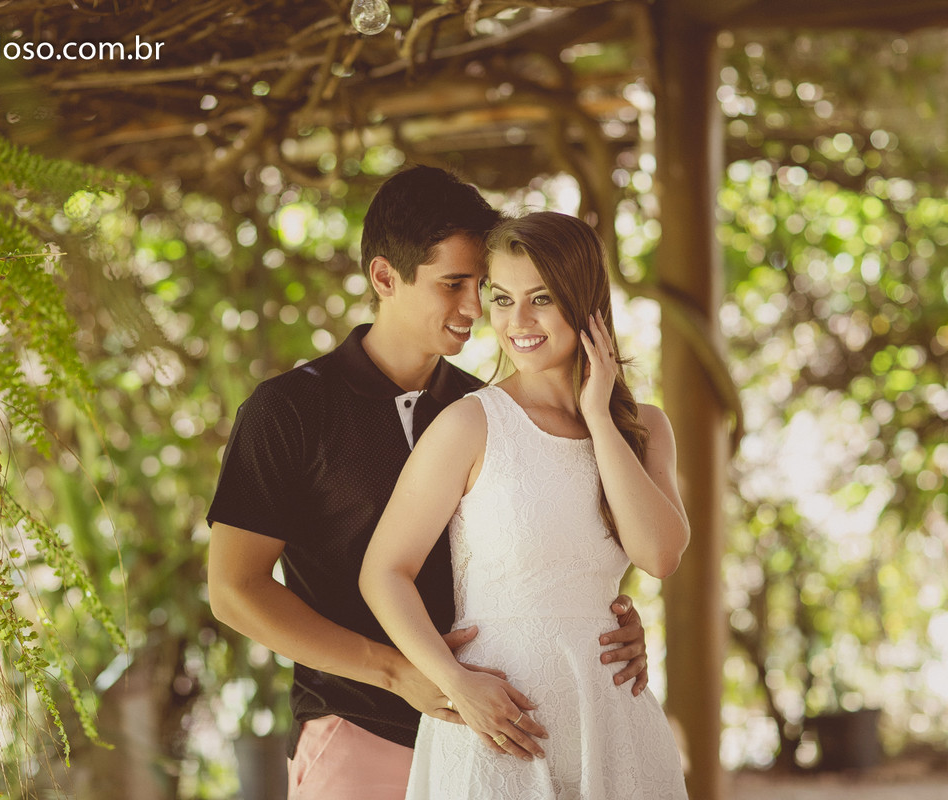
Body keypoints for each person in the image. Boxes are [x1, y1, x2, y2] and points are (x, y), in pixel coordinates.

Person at [207, 167, 652, 800]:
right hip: (361, 734)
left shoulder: (491, 411)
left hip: (499, 744)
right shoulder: (290, 409)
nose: (475, 308)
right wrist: (399, 672)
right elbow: (234, 590)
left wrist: (607, 624)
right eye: (453, 284)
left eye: (482, 286)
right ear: (385, 277)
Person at [360, 211, 690, 798]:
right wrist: (454, 682)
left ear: (586, 302)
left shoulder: (645, 428)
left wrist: (598, 417)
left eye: (542, 298)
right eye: (503, 299)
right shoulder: (469, 424)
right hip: (497, 726)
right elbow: (384, 571)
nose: (518, 321)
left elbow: (659, 555)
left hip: (612, 718)